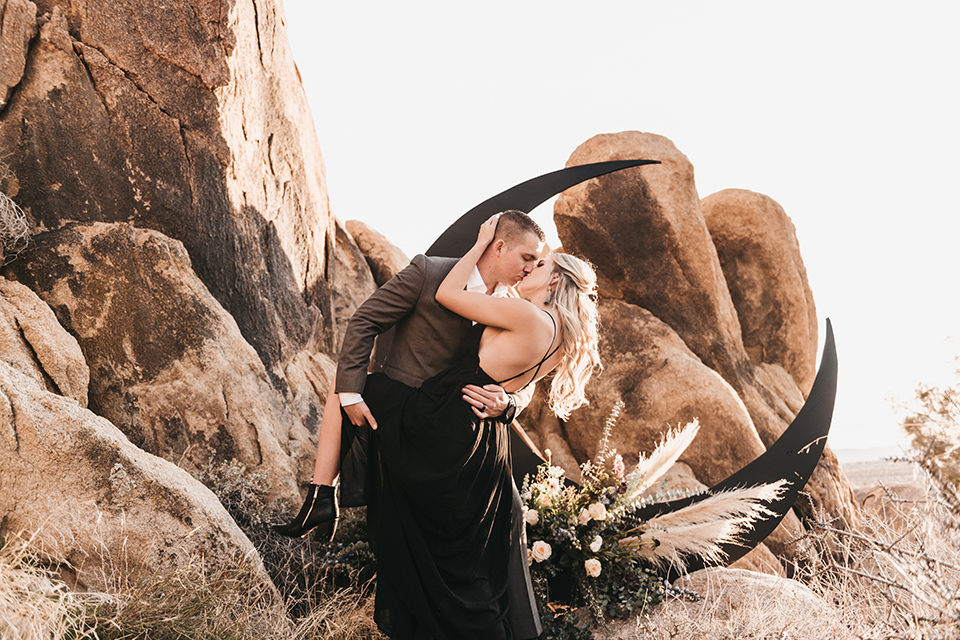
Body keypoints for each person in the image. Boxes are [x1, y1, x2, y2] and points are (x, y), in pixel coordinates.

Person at [277, 212, 601, 638]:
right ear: (500, 247)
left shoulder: (520, 311)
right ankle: (323, 498)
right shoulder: (447, 279)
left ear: (556, 281)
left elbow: (511, 380)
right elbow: (367, 322)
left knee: (349, 393)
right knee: (449, 553)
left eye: (538, 263)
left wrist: (507, 404)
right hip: (474, 434)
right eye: (529, 257)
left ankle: (322, 494)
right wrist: (506, 401)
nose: (530, 267)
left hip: (442, 422)